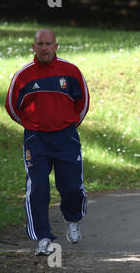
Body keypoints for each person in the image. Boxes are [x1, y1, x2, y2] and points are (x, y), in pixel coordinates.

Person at [5, 29, 90, 256]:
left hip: (66, 137)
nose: (44, 48)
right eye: (40, 44)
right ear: (33, 46)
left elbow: (83, 104)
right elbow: (12, 108)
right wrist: (32, 126)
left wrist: (68, 126)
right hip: (36, 140)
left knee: (71, 185)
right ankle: (43, 237)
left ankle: (72, 220)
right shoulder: (23, 76)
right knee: (38, 189)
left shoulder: (71, 72)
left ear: (56, 46)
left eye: (48, 44)